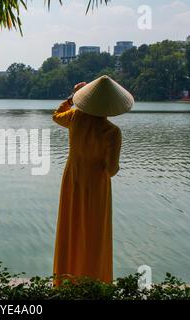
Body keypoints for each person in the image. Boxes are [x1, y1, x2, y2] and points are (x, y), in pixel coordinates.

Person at [52, 75, 134, 285]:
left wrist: (72, 97)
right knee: (95, 233)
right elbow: (112, 169)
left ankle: (66, 281)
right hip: (97, 185)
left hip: (73, 178)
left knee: (70, 228)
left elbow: (56, 115)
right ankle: (96, 282)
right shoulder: (112, 132)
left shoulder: (74, 118)